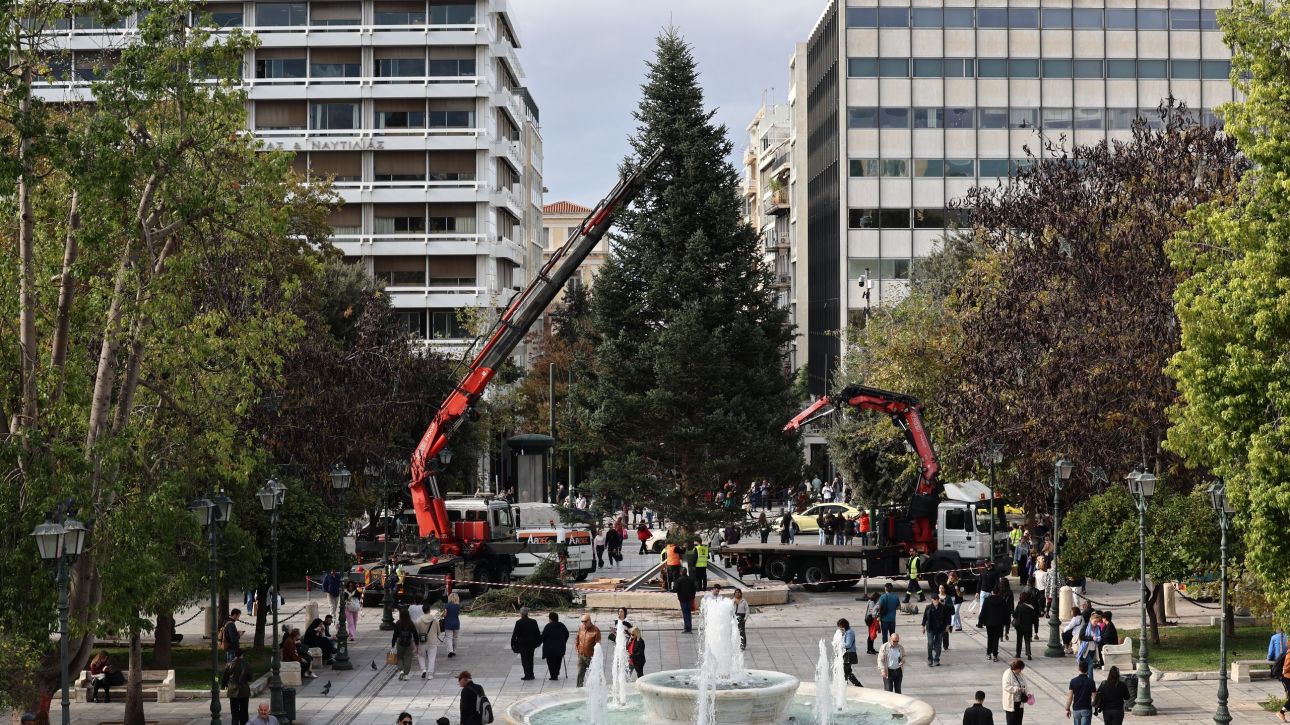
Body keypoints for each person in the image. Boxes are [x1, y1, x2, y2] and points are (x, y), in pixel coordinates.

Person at [222, 649, 252, 725]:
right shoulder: (247, 664)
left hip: (233, 690)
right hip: (244, 690)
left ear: (235, 655)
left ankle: (235, 723)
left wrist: (223, 685)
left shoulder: (229, 664)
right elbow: (250, 678)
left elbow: (225, 677)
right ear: (242, 655)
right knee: (244, 711)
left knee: (234, 711)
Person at [511, 607, 542, 681]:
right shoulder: (533, 621)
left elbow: (514, 634)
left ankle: (527, 675)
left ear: (521, 614)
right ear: (527, 613)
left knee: (524, 660)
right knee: (530, 659)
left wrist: (512, 643)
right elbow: (537, 633)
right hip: (531, 644)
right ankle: (531, 674)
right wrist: (538, 642)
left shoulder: (519, 622)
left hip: (522, 644)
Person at [982, 584, 1009, 663]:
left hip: (989, 623)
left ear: (992, 592)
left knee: (990, 638)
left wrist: (980, 622)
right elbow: (1006, 612)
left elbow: (983, 611)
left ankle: (988, 653)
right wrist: (1007, 622)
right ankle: (995, 655)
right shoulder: (1002, 600)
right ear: (999, 592)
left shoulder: (987, 600)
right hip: (999, 623)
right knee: (996, 639)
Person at [922, 593, 951, 666]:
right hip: (930, 628)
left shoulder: (943, 607)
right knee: (930, 643)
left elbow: (948, 617)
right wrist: (923, 626)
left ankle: (936, 659)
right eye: (935, 599)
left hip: (940, 629)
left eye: (937, 599)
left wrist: (947, 626)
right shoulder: (928, 607)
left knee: (938, 645)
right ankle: (930, 659)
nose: (936, 600)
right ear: (932, 600)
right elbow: (925, 617)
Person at [415, 602, 441, 679]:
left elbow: (416, 632)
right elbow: (438, 631)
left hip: (422, 641)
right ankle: (430, 674)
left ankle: (423, 670)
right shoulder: (435, 620)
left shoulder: (418, 621)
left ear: (423, 610)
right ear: (429, 610)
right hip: (432, 641)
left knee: (421, 655)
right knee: (432, 657)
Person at [1065, 660, 1096, 725]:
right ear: (1087, 669)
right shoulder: (1091, 682)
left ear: (1079, 668)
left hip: (1076, 709)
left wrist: (1067, 708)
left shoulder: (1073, 681)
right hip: (1086, 708)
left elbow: (1070, 697)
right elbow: (1094, 698)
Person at [575, 614, 602, 687]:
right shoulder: (581, 628)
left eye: (585, 621)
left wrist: (595, 657)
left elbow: (598, 645)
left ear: (589, 621)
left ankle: (595, 689)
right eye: (582, 621)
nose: (583, 623)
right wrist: (577, 648)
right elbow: (577, 638)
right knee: (579, 674)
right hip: (581, 656)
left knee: (593, 675)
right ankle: (579, 689)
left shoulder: (596, 630)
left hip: (591, 658)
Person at [542, 612, 570, 680]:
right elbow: (567, 634)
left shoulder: (548, 626)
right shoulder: (561, 625)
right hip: (560, 648)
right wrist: (564, 641)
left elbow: (543, 637)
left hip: (550, 648)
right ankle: (556, 673)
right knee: (558, 660)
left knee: (551, 662)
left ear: (550, 619)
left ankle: (553, 675)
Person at [1001, 659, 1029, 725]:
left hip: (1020, 702)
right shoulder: (1007, 673)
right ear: (1016, 668)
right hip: (1011, 702)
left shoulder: (1020, 674)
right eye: (1020, 669)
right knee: (1011, 721)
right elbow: (1006, 686)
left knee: (1019, 721)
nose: (1021, 670)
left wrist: (1027, 692)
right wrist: (1017, 689)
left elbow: (1025, 684)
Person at [837, 618, 863, 686]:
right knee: (846, 671)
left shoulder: (850, 632)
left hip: (849, 654)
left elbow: (848, 644)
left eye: (840, 627)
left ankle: (856, 685)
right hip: (846, 654)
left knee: (846, 671)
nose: (839, 628)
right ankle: (850, 685)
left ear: (844, 626)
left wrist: (839, 644)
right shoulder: (845, 632)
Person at [1012, 592, 1036, 660]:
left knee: (1019, 640)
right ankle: (1028, 654)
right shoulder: (1031, 607)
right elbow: (1033, 617)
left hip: (1020, 626)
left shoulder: (1019, 606)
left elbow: (1014, 615)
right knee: (1027, 640)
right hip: (1028, 626)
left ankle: (1018, 654)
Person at [674, 569, 697, 633]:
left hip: (682, 599)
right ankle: (689, 627)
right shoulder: (691, 579)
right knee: (688, 613)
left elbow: (675, 589)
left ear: (681, 572)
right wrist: (693, 596)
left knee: (685, 613)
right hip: (689, 598)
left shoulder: (678, 580)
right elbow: (694, 588)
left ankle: (687, 628)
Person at [444, 592, 461, 657]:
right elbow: (458, 614)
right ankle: (454, 651)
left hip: (448, 623)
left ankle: (450, 651)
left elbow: (445, 614)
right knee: (455, 638)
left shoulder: (447, 605)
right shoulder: (458, 606)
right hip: (456, 623)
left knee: (449, 638)